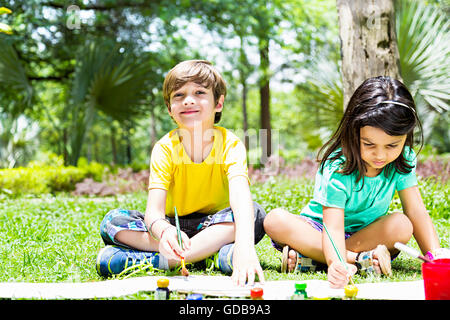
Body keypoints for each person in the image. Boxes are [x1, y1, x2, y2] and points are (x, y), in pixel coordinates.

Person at [264, 76, 447, 288]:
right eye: (369, 144)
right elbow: (332, 227)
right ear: (354, 131)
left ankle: (313, 259)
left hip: (367, 234)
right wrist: (337, 262)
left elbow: (415, 211)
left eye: (392, 146)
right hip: (320, 229)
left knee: (403, 225)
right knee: (274, 220)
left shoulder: (404, 159)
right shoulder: (338, 166)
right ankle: (359, 260)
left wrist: (437, 257)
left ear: (406, 136)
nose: (380, 155)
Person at [96, 60, 266, 286]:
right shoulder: (165, 148)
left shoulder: (230, 145)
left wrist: (245, 247)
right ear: (169, 108)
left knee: (253, 214)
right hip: (173, 226)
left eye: (199, 92)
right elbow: (153, 213)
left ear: (218, 103)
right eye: (178, 95)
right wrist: (165, 231)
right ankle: (210, 254)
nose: (188, 100)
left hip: (215, 224)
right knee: (113, 221)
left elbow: (241, 199)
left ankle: (163, 261)